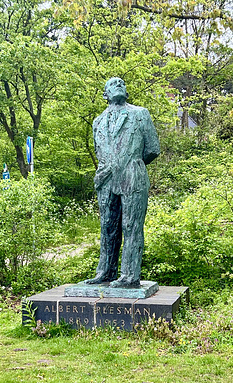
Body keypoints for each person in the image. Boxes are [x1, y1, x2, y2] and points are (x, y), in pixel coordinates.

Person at [83, 77, 160, 289]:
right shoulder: (98, 121)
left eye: (122, 83)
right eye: (112, 83)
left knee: (131, 226)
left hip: (132, 174)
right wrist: (110, 167)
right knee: (107, 226)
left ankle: (129, 275)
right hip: (106, 177)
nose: (118, 84)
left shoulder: (140, 114)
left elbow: (153, 149)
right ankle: (105, 272)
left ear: (126, 92)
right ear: (105, 94)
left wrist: (131, 163)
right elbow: (100, 150)